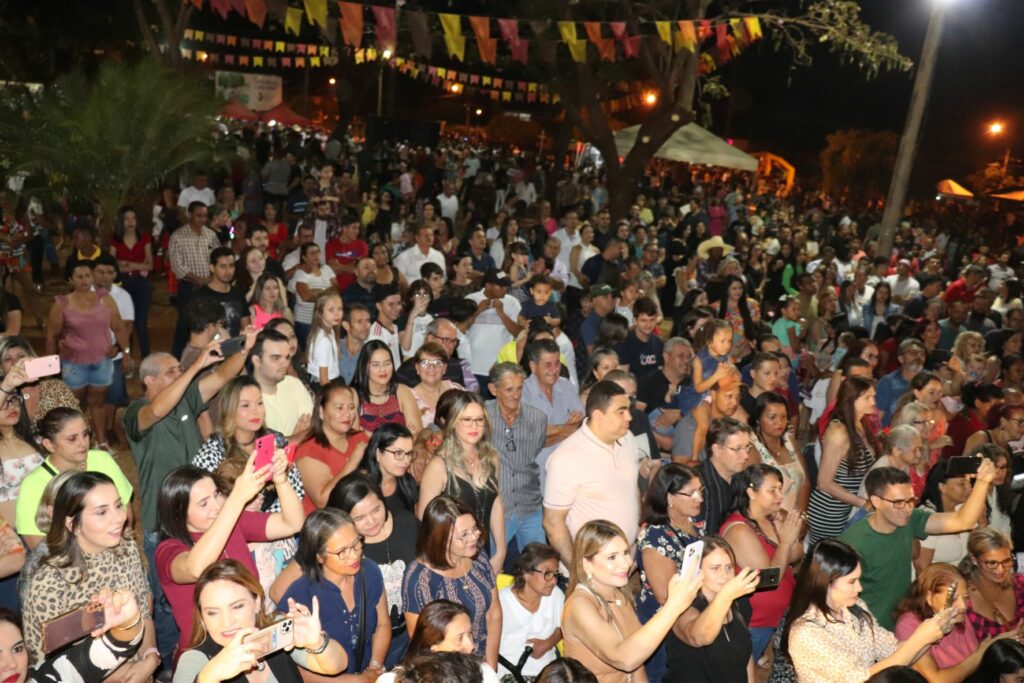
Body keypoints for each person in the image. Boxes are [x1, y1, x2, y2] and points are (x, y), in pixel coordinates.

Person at [155, 450, 302, 657]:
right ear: (179, 513)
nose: (216, 506)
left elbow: (292, 523)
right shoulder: (168, 550)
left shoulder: (233, 522)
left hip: (252, 645)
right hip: (206, 658)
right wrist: (236, 500)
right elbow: (195, 568)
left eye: (217, 494)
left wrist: (281, 481)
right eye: (203, 503)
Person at [21, 472, 157, 674]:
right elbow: (48, 663)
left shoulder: (126, 549)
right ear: (72, 524)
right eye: (102, 512)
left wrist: (151, 657)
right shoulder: (50, 578)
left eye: (118, 505)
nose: (119, 518)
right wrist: (118, 675)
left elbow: (143, 615)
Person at [840, 463, 995, 630]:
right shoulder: (852, 542)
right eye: (898, 503)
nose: (907, 509)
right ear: (876, 501)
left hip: (901, 623)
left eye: (910, 500)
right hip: (869, 629)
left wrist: (983, 482)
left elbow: (962, 521)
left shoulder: (910, 519)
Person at [782, 538, 949, 683]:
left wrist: (932, 634)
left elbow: (895, 651)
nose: (859, 588)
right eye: (851, 581)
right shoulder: (806, 633)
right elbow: (863, 679)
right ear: (825, 583)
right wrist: (920, 638)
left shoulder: (855, 607)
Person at [560, 519, 702, 682]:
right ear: (587, 565)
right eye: (612, 557)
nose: (626, 563)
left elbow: (637, 665)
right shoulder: (579, 605)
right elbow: (625, 659)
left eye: (626, 552)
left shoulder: (618, 594)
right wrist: (673, 606)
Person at [172, 559, 348, 682]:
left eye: (237, 606)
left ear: (257, 603)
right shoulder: (194, 659)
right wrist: (208, 677)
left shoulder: (276, 629)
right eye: (212, 613)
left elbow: (337, 666)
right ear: (202, 617)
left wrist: (317, 643)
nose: (226, 622)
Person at [274, 509, 390, 679]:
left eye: (356, 543)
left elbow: (382, 625)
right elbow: (294, 667)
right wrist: (354, 681)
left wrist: (374, 668)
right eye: (342, 551)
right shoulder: (300, 596)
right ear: (319, 557)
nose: (354, 555)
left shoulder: (369, 572)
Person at [321, 473, 420, 668]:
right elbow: (279, 589)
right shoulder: (335, 546)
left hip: (411, 634)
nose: (372, 521)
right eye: (359, 518)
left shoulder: (406, 523)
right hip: (366, 645)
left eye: (376, 509)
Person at [543, 381, 640, 566]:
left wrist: (635, 538)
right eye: (621, 412)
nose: (629, 417)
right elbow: (553, 524)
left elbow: (632, 489)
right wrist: (578, 571)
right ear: (598, 416)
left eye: (628, 410)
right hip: (591, 567)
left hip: (626, 559)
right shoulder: (566, 458)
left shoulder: (628, 439)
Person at [402, 496, 501, 669]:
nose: (474, 537)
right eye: (464, 535)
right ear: (441, 538)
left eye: (474, 529)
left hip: (481, 660)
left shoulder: (478, 558)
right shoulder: (420, 579)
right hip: (446, 668)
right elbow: (423, 644)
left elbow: (494, 613)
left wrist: (491, 666)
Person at [15, 407, 133, 548]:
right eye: (72, 439)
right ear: (49, 445)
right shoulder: (34, 484)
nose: (83, 443)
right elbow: (36, 544)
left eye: (85, 434)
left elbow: (126, 509)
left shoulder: (102, 460)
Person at [721, 465, 804, 662]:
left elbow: (796, 555)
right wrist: (784, 543)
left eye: (780, 489)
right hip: (755, 621)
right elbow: (769, 579)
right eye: (772, 490)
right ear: (751, 493)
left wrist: (789, 538)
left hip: (776, 616)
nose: (780, 496)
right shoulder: (739, 530)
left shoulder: (770, 518)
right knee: (741, 668)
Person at [418, 391, 507, 574]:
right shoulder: (439, 466)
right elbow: (424, 521)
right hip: (450, 557)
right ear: (453, 422)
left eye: (479, 420)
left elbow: (495, 505)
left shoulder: (491, 458)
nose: (474, 426)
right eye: (466, 420)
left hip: (482, 551)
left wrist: (501, 550)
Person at [46, 261, 130, 449]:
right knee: (74, 404)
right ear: (70, 280)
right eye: (79, 276)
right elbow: (51, 335)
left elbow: (119, 327)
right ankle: (76, 443)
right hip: (73, 363)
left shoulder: (105, 299)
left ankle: (101, 441)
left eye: (87, 276)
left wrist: (125, 352)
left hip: (102, 361)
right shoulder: (62, 303)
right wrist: (51, 365)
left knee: (98, 401)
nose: (85, 280)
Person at [191, 376, 307, 508]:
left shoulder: (275, 441)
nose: (255, 411)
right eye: (245, 405)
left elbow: (297, 490)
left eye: (260, 403)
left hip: (280, 518)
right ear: (229, 410)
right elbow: (206, 507)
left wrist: (268, 519)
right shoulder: (212, 453)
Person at [636, 463, 705, 683]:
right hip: (664, 622)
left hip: (690, 609)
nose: (699, 498)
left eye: (700, 490)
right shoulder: (656, 539)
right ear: (669, 498)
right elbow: (665, 596)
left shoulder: (694, 521)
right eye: (691, 493)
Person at [663, 535, 759, 682]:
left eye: (729, 567)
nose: (725, 575)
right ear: (696, 571)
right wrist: (725, 596)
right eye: (715, 568)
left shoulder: (740, 602)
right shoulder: (681, 605)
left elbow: (746, 653)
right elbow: (698, 637)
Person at [0, 589, 148, 683]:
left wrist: (126, 619)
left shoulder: (49, 676)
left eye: (17, 649)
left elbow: (102, 655)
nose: (11, 664)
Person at [893, 563, 1005, 681]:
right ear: (930, 598)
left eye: (965, 597)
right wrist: (979, 655)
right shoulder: (909, 625)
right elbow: (936, 680)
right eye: (954, 598)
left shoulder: (958, 617)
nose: (963, 606)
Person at [807, 376, 880, 543]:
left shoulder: (860, 424)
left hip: (849, 508)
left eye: (873, 396)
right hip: (830, 511)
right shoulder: (839, 431)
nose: (873, 402)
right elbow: (824, 483)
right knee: (829, 557)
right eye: (867, 397)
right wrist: (864, 503)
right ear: (851, 400)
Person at [486, 362, 548, 552]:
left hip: (530, 505)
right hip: (497, 506)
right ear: (493, 389)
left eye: (519, 388)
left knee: (539, 562)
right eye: (509, 389)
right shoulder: (481, 415)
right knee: (493, 563)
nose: (516, 395)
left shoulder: (538, 418)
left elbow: (535, 451)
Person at [375, 600, 501, 683]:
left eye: (470, 634)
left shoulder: (484, 674)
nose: (471, 646)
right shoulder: (393, 680)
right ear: (433, 647)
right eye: (460, 638)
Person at [296, 380, 369, 512]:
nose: (347, 414)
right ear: (321, 412)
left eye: (351, 407)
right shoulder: (309, 451)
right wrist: (352, 463)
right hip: (328, 519)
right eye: (339, 408)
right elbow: (323, 501)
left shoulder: (361, 438)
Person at [497, 543, 564, 680]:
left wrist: (547, 643)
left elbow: (565, 627)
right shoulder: (501, 602)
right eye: (547, 574)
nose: (553, 581)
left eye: (556, 574)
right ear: (526, 573)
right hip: (507, 673)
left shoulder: (556, 595)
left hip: (547, 673)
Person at [523, 339, 585, 487]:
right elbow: (531, 439)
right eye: (548, 365)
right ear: (533, 366)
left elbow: (582, 426)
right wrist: (567, 429)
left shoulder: (566, 386)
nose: (554, 369)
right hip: (535, 475)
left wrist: (552, 431)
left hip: (569, 469)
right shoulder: (522, 392)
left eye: (557, 363)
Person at [168, 203, 220, 356]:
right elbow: (177, 266)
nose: (202, 219)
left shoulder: (211, 235)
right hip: (188, 287)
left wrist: (210, 279)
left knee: (210, 322)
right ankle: (177, 359)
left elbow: (219, 258)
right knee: (185, 324)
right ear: (189, 214)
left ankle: (210, 357)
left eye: (205, 216)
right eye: (198, 215)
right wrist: (198, 280)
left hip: (210, 286)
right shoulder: (178, 236)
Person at [248, 328, 314, 441]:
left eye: (287, 357)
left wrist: (289, 440)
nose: (285, 363)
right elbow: (260, 446)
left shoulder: (294, 384)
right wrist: (295, 439)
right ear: (257, 361)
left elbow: (314, 428)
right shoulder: (245, 398)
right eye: (276, 358)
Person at [959, 527, 1024, 641]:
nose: (1000, 569)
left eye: (1006, 561)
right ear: (974, 559)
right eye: (992, 563)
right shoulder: (963, 600)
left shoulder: (1020, 585)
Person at [0, 337, 79, 429]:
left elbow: (77, 421)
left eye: (21, 357)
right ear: (1, 368)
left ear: (32, 359)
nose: (16, 363)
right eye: (8, 359)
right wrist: (7, 386)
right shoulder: (3, 395)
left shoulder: (55, 387)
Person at [749, 392, 808, 513]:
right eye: (772, 417)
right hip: (770, 517)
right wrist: (787, 519)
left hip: (797, 516)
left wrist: (800, 516)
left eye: (784, 417)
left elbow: (805, 482)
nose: (779, 422)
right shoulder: (753, 449)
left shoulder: (789, 440)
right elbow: (756, 496)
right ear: (758, 419)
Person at [695, 417, 753, 536]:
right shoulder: (696, 485)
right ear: (717, 449)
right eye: (738, 449)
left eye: (747, 447)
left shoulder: (743, 478)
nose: (746, 456)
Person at [352, 340, 422, 434]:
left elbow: (417, 433)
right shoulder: (353, 395)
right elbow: (353, 438)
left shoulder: (402, 391)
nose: (383, 370)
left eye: (387, 363)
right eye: (376, 365)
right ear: (364, 367)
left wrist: (368, 435)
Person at [110, 206, 153, 358]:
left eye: (133, 218)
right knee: (126, 322)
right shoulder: (115, 239)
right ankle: (127, 357)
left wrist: (128, 264)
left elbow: (150, 265)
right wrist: (138, 265)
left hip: (141, 283)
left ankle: (146, 358)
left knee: (141, 323)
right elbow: (112, 264)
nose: (130, 222)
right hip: (122, 284)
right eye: (127, 219)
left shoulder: (144, 238)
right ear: (121, 221)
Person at [357, 422, 419, 515]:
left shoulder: (408, 483)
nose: (406, 460)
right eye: (398, 453)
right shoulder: (358, 486)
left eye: (409, 454)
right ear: (378, 454)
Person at [289, 242, 337, 348]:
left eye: (317, 252)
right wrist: (327, 292)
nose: (316, 255)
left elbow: (336, 289)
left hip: (324, 319)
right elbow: (307, 297)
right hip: (306, 321)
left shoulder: (326, 269)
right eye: (312, 253)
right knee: (307, 351)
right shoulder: (300, 273)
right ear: (304, 257)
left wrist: (317, 291)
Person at [410, 342, 463, 427]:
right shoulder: (409, 397)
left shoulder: (457, 390)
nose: (431, 367)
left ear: (444, 368)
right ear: (417, 368)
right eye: (425, 362)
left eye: (437, 362)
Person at [876, 340, 928, 426]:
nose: (918, 356)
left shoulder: (931, 380)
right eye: (913, 353)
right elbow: (877, 418)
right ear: (901, 359)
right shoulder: (888, 383)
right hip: (893, 431)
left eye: (922, 354)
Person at [306, 290, 344, 387]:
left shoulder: (330, 331)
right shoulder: (323, 341)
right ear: (320, 312)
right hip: (324, 385)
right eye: (331, 310)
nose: (337, 314)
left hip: (332, 380)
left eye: (340, 309)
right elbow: (323, 380)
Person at [369, 284, 404, 366]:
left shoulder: (395, 327)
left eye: (398, 303)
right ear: (379, 306)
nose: (396, 308)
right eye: (391, 304)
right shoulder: (375, 335)